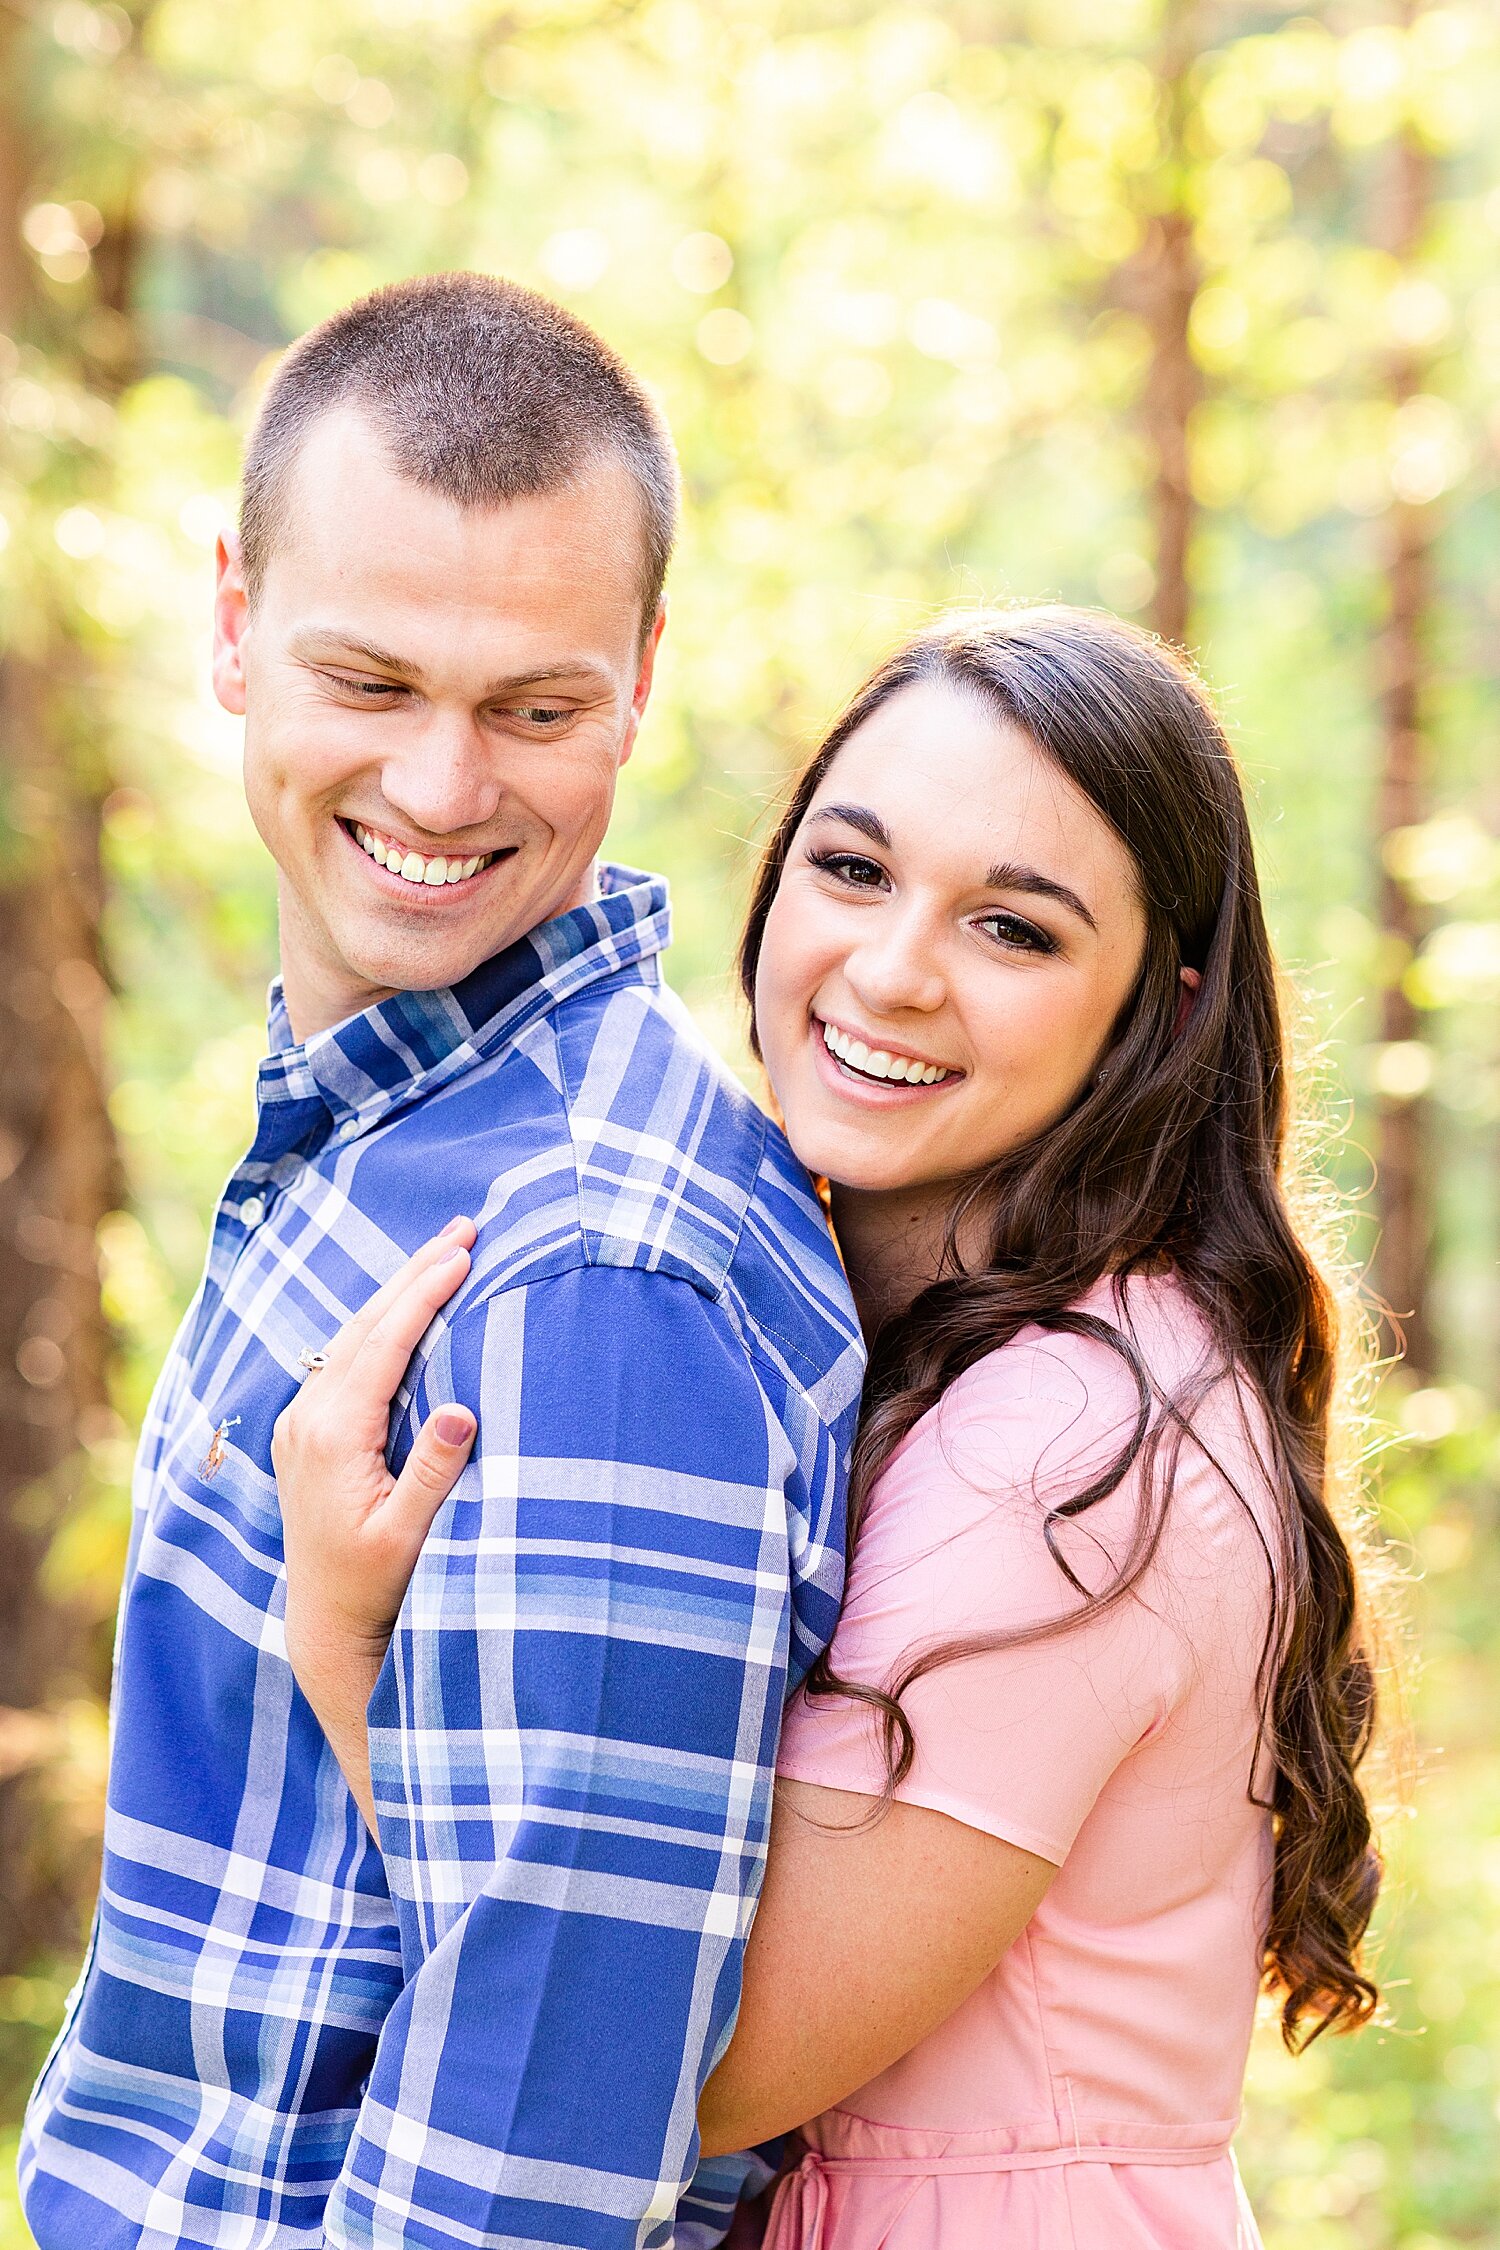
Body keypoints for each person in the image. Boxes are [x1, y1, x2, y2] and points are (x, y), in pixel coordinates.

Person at [274, 607, 1386, 2249]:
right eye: (853, 872)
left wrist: (347, 1643)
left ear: (1159, 1001)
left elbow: (693, 2061)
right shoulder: (908, 1339)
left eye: (1014, 928)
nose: (888, 970)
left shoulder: (1073, 1444)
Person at [19, 274, 865, 2250]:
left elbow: (543, 2108)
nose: (439, 789)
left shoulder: (593, 1261)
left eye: (535, 708)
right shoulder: (385, 1140)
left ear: (645, 677)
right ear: (232, 628)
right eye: (373, 685)